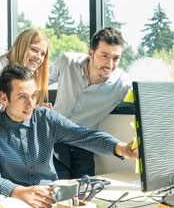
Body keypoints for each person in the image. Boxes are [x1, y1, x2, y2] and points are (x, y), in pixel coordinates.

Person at [0, 63, 138, 208]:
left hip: (52, 200)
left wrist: (121, 148)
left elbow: (84, 135)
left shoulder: (47, 118)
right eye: (22, 97)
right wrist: (17, 191)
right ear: (4, 98)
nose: (31, 104)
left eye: (33, 96)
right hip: (15, 203)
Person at [49, 26, 131, 179]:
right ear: (91, 53)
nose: (109, 64)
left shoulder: (122, 83)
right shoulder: (67, 62)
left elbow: (145, 101)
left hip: (85, 143)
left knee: (86, 190)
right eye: (104, 55)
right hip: (55, 138)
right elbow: (38, 82)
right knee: (57, 186)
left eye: (115, 58)